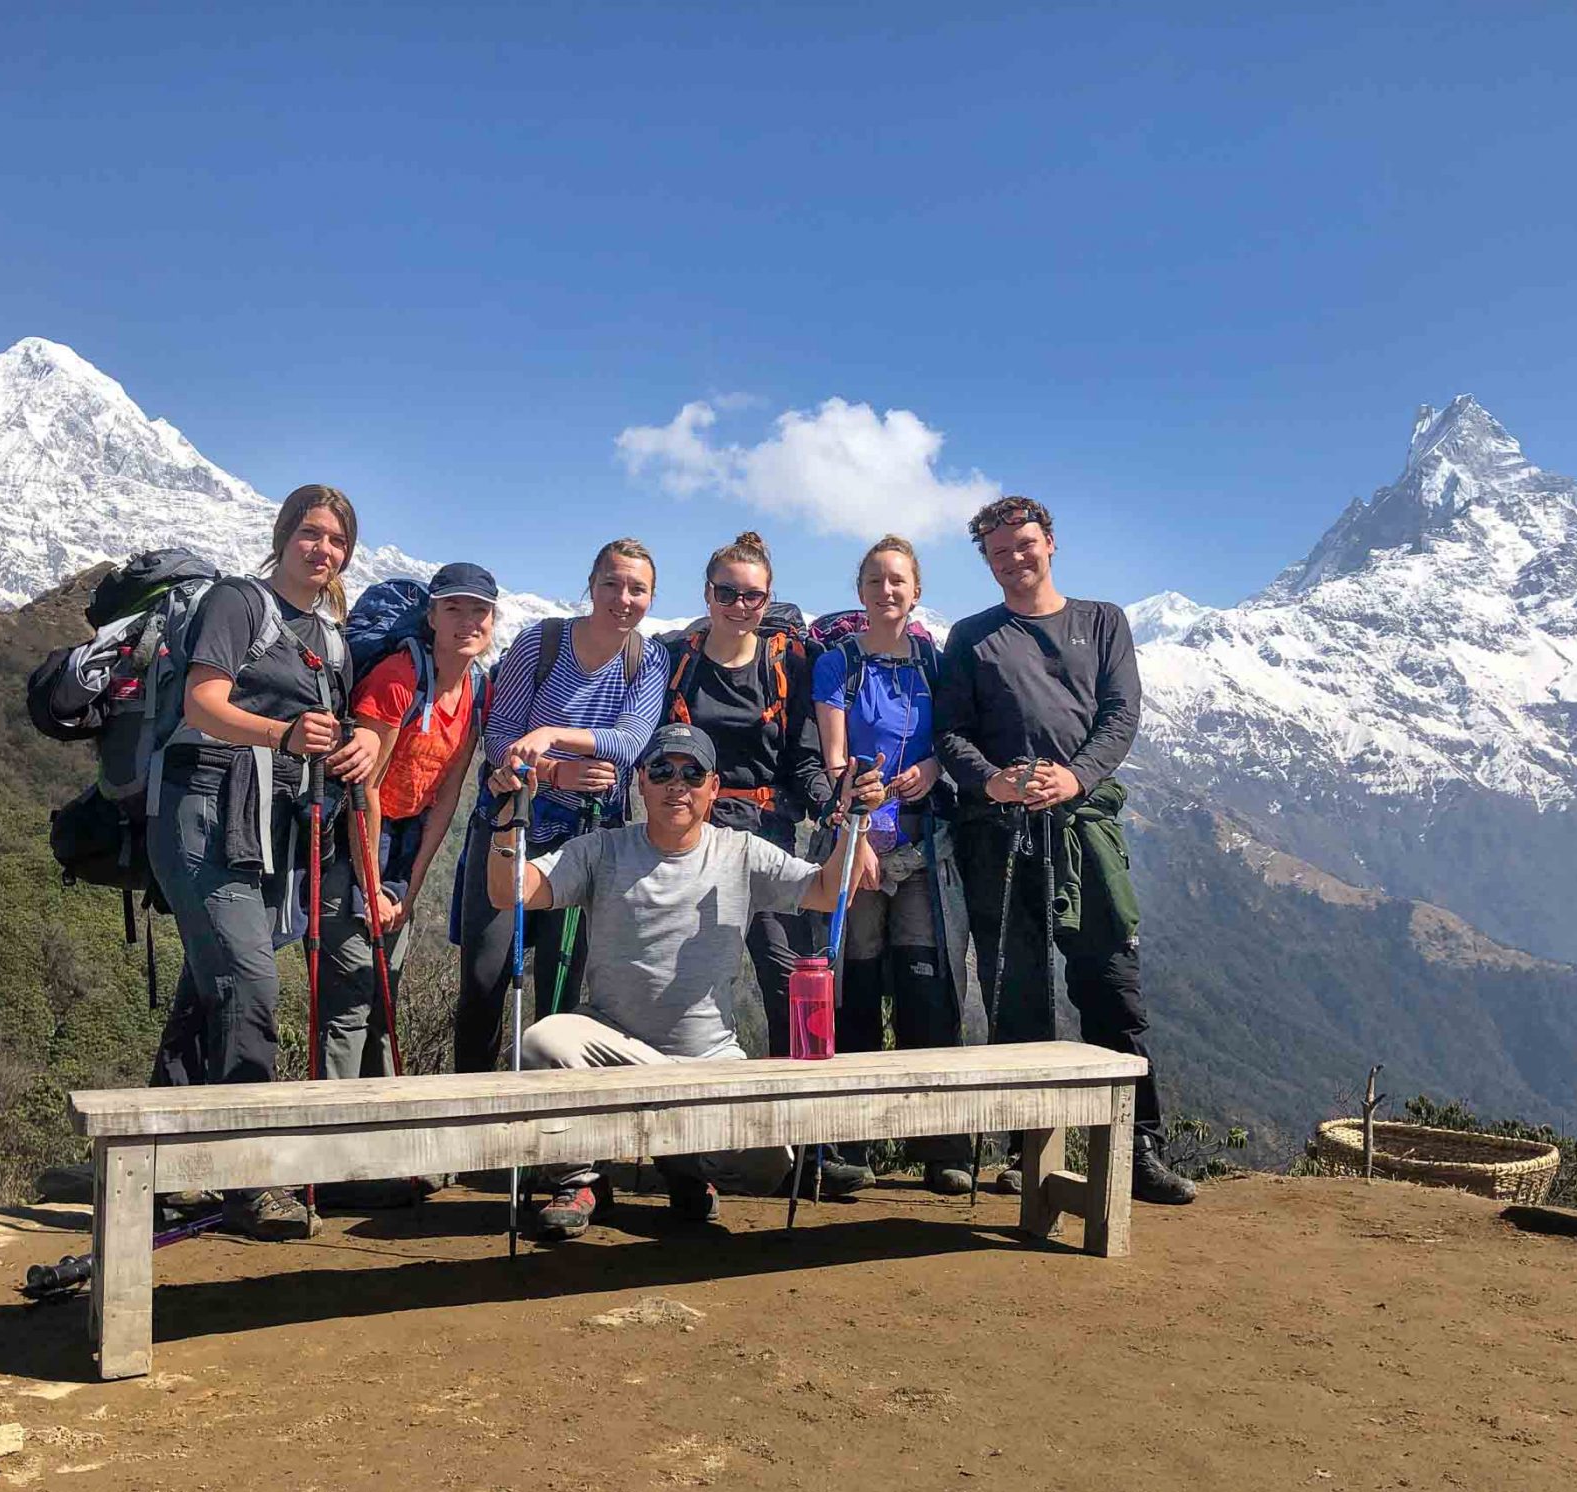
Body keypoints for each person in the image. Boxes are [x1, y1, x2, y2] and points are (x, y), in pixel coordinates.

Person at [487, 723, 879, 1239]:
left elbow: (828, 892)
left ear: (714, 789)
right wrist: (506, 820)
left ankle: (682, 1163)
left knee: (769, 1161)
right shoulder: (602, 850)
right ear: (641, 784)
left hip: (706, 1061)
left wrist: (855, 823)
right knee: (541, 1043)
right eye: (662, 771)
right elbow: (511, 891)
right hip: (612, 1047)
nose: (678, 784)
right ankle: (579, 1178)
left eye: (693, 774)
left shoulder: (740, 852)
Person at [932, 495, 1197, 1205]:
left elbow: (1121, 712)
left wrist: (1074, 776)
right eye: (998, 552)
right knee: (1017, 997)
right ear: (986, 561)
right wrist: (994, 783)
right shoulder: (971, 638)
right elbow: (950, 733)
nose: (1014, 561)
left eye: (1025, 545)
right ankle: (1027, 1153)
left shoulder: (1103, 621)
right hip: (1000, 837)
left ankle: (1137, 1150)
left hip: (1086, 832)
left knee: (1111, 988)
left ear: (1051, 543)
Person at [147, 484, 380, 1239]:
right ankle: (248, 1185)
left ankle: (157, 1170)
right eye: (311, 534)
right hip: (204, 810)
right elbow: (202, 704)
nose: (324, 550)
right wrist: (280, 737)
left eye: (337, 541)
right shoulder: (237, 603)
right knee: (248, 980)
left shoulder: (330, 634)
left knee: (207, 987)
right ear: (283, 536)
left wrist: (357, 741)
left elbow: (329, 725)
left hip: (266, 825)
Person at [450, 538, 670, 1073]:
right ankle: (474, 1123)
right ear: (591, 586)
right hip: (514, 825)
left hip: (591, 839)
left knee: (562, 986)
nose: (623, 597)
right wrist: (555, 771)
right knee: (484, 978)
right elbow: (500, 737)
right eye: (612, 583)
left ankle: (552, 1135)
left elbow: (633, 740)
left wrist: (550, 734)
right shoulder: (539, 643)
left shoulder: (648, 658)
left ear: (651, 596)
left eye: (637, 588)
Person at [812, 535, 973, 1195]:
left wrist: (931, 767)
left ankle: (942, 1149)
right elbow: (833, 756)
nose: (887, 591)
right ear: (861, 590)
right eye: (876, 580)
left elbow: (952, 745)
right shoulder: (837, 664)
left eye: (898, 580)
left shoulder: (937, 664)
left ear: (916, 590)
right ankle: (850, 1144)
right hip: (860, 842)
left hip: (926, 841)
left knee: (926, 985)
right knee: (855, 984)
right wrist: (861, 825)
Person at [319, 562, 498, 1089]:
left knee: (383, 1002)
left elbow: (445, 798)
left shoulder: (474, 692)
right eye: (454, 608)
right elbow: (364, 787)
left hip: (403, 848)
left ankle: (381, 1147)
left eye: (479, 611)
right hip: (349, 845)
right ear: (432, 615)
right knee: (350, 1003)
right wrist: (371, 887)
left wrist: (411, 888)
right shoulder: (399, 677)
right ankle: (333, 1154)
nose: (468, 621)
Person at [658, 531, 832, 1057]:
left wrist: (834, 806)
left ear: (768, 598)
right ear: (707, 594)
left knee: (786, 974)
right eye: (726, 593)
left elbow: (805, 756)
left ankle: (794, 1108)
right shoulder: (673, 661)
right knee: (676, 979)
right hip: (686, 834)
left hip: (765, 835)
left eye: (752, 596)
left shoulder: (790, 663)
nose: (739, 605)